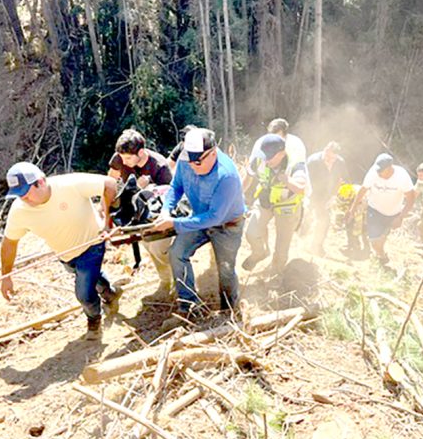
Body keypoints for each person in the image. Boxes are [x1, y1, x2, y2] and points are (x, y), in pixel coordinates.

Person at [0, 162, 118, 340]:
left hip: (92, 243)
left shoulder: (70, 184)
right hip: (66, 255)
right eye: (19, 196)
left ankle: (94, 319)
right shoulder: (19, 211)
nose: (24, 199)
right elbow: (9, 243)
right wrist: (6, 276)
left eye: (26, 194)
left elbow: (109, 184)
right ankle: (110, 294)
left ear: (40, 182)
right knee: (88, 277)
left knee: (84, 293)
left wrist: (108, 220)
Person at [150, 128, 245, 316]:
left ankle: (229, 311)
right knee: (177, 252)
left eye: (198, 162)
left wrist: (175, 224)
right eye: (189, 160)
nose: (193, 166)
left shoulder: (227, 176)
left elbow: (214, 217)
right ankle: (188, 306)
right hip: (198, 218)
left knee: (225, 269)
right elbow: (176, 186)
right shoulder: (186, 160)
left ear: (213, 153)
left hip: (226, 225)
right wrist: (166, 210)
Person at [108, 129, 173, 293]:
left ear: (141, 152)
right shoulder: (121, 157)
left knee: (159, 249)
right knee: (148, 246)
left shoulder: (160, 167)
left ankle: (180, 281)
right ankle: (165, 280)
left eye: (128, 158)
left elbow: (169, 199)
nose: (124, 161)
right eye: (122, 158)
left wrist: (147, 188)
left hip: (156, 216)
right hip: (133, 213)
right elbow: (110, 181)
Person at [243, 134, 308, 273]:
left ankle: (275, 277)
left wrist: (285, 179)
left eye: (270, 157)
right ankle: (260, 252)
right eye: (265, 156)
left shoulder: (295, 163)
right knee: (251, 233)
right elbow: (248, 179)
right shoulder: (259, 159)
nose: (266, 160)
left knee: (281, 247)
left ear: (282, 153)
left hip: (287, 206)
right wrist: (237, 194)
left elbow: (301, 188)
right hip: (265, 201)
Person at [348, 153, 415, 265]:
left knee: (382, 239)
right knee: (374, 241)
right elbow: (363, 189)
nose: (378, 173)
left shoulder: (402, 176)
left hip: (393, 213)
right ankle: (381, 255)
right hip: (375, 209)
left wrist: (400, 217)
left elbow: (411, 199)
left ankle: (380, 255)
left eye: (381, 171)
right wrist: (352, 208)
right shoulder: (373, 172)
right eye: (377, 170)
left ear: (389, 168)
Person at [244, 118, 307, 198]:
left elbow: (301, 186)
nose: (274, 142)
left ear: (286, 136)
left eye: (279, 138)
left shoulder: (296, 147)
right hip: (266, 194)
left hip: (290, 197)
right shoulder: (260, 146)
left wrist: (284, 178)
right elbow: (248, 177)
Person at [306, 141, 347, 254]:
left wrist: (333, 196)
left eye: (332, 158)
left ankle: (316, 245)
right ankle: (300, 241)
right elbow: (305, 179)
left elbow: (340, 180)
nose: (329, 160)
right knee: (306, 218)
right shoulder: (313, 161)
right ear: (324, 150)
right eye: (327, 156)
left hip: (327, 196)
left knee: (325, 221)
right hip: (311, 194)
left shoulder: (340, 163)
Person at [333, 183, 369, 258]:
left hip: (367, 211)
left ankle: (362, 249)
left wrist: (354, 237)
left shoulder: (360, 202)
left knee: (364, 229)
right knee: (349, 224)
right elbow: (342, 207)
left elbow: (357, 226)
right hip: (356, 208)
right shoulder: (345, 192)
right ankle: (351, 244)